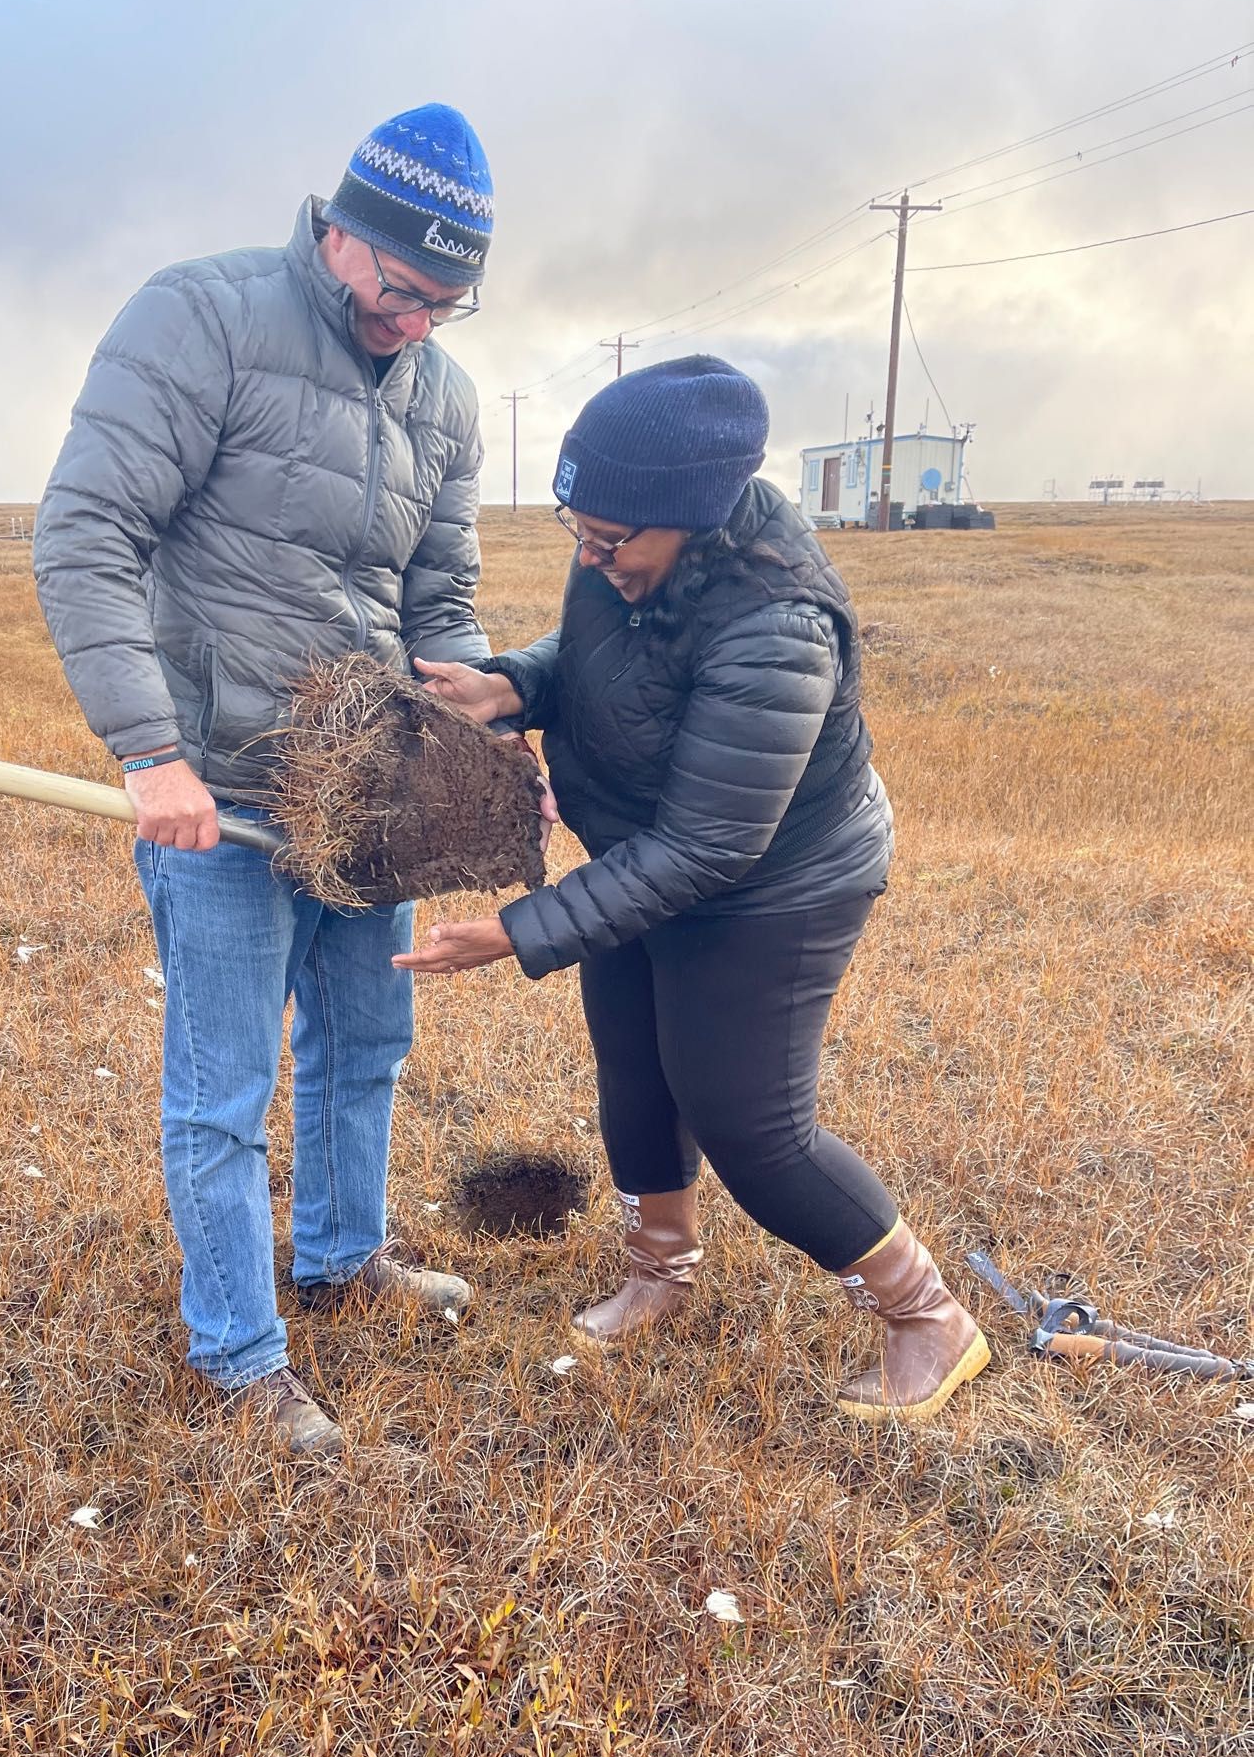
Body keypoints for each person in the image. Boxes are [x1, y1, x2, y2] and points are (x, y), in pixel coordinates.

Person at [398, 356, 990, 1424]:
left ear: (695, 518)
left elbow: (709, 849)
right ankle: (661, 1271)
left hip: (771, 885)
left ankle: (929, 1317)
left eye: (611, 541)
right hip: (640, 854)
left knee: (751, 1123)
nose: (592, 556)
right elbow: (599, 651)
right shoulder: (628, 544)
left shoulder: (779, 627)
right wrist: (518, 678)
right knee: (635, 1065)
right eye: (578, 533)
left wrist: (515, 930)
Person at [34, 104, 501, 1457]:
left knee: (369, 1044)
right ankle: (242, 1366)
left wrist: (461, 718)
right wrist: (150, 752)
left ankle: (343, 1254)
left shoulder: (444, 396)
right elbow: (86, 536)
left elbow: (441, 592)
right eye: (401, 289)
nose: (415, 323)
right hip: (224, 798)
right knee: (223, 1093)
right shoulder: (204, 318)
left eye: (446, 305)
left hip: (369, 799)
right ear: (339, 231)